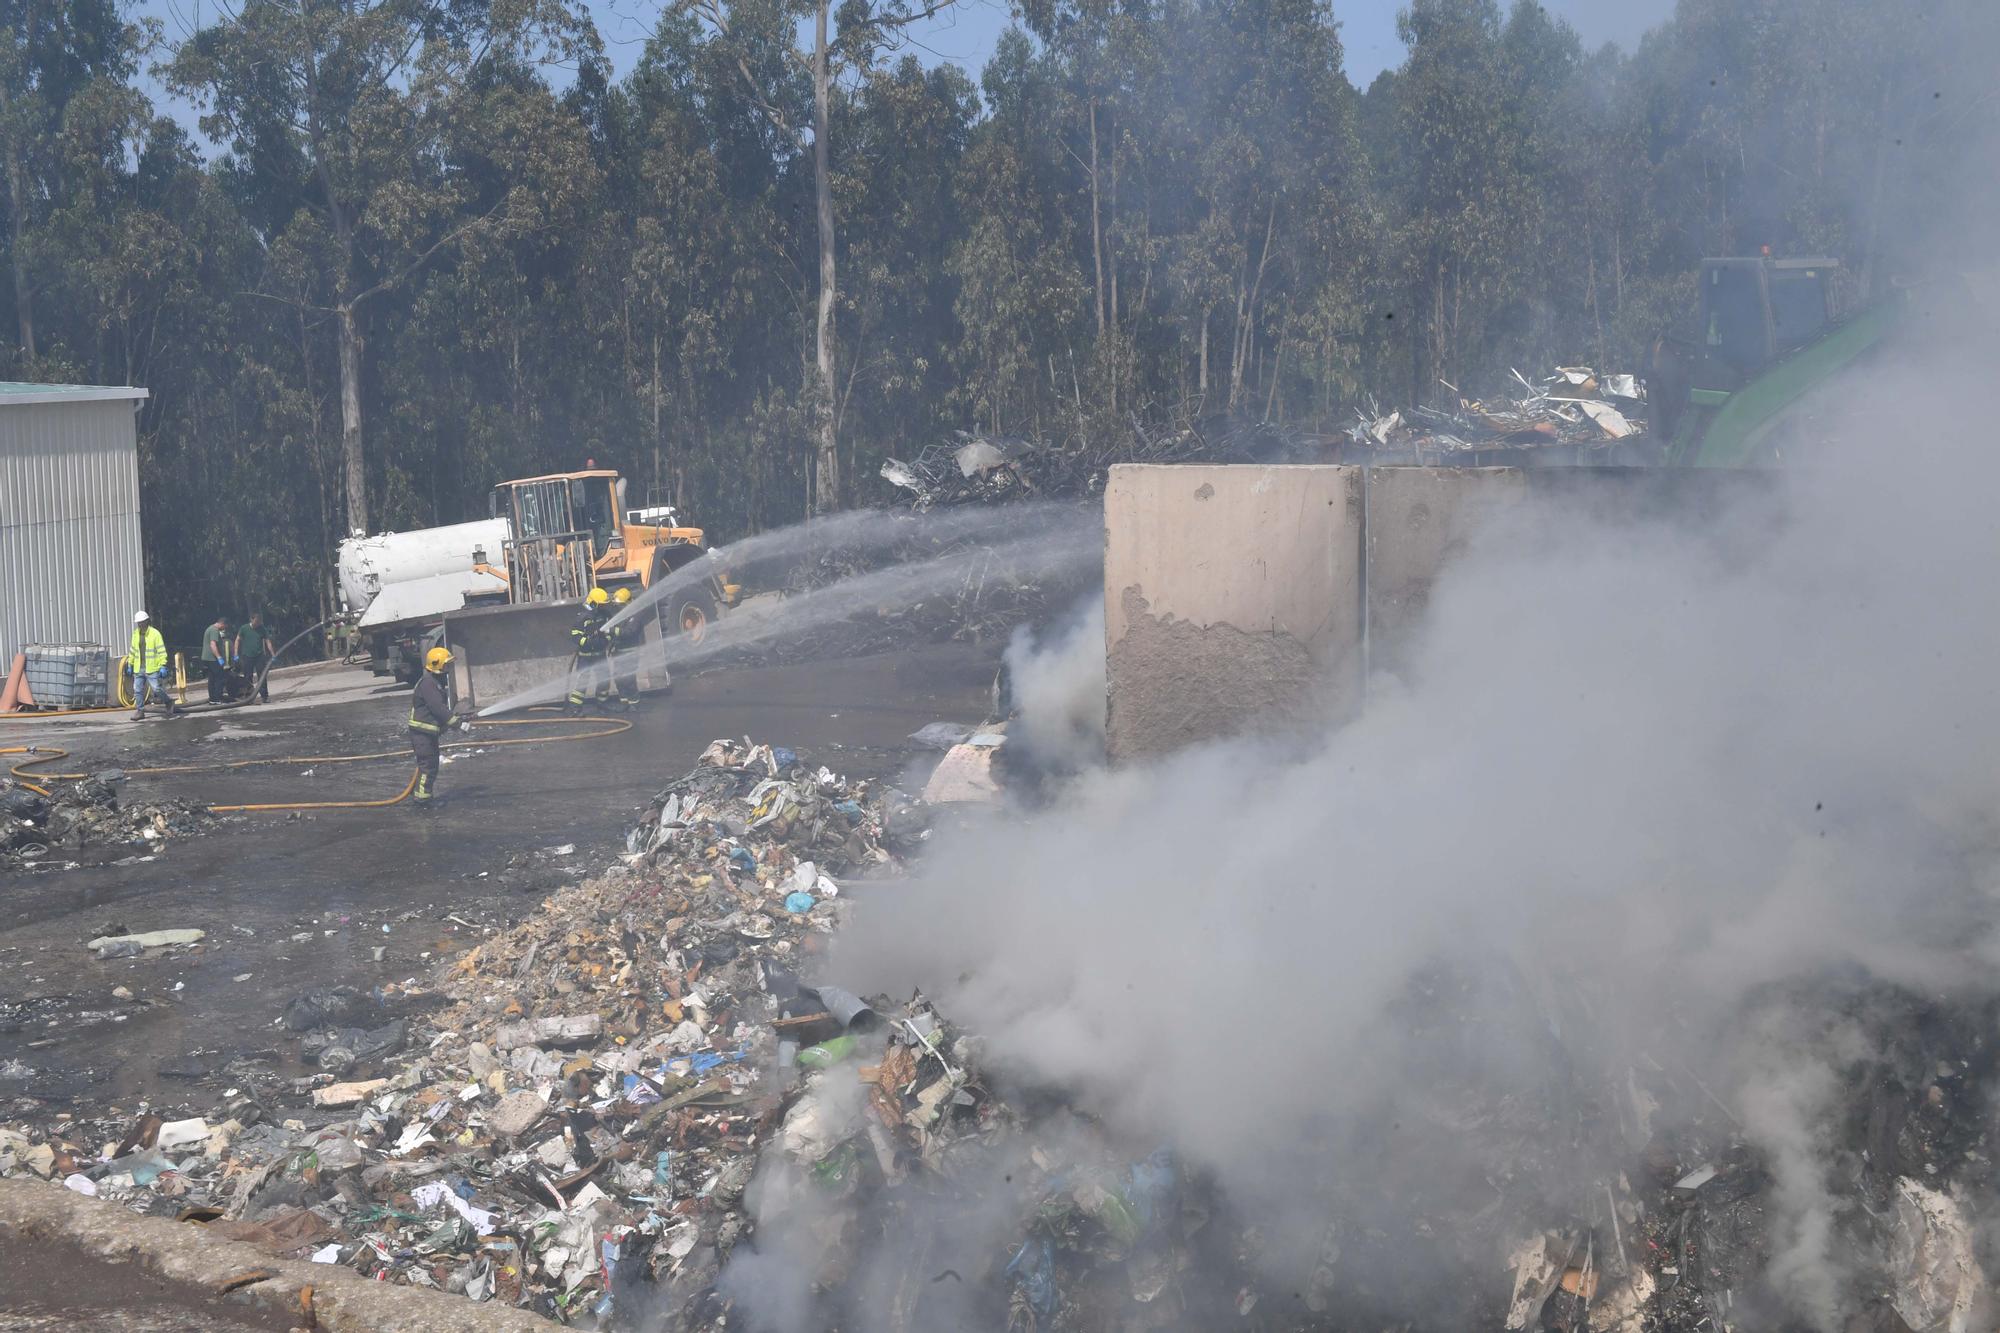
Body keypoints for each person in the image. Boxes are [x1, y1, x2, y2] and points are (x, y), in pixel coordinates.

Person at [407, 645, 470, 807]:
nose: (449, 668)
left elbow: (439, 711)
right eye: (447, 664)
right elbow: (437, 708)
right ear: (438, 665)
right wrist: (456, 724)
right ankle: (422, 799)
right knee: (428, 766)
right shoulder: (428, 684)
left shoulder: (434, 682)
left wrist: (458, 720)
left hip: (427, 733)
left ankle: (424, 796)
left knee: (430, 765)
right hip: (421, 733)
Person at [566, 587, 612, 715]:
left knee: (604, 680)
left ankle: (602, 705)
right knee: (582, 682)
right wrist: (587, 642)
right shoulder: (583, 618)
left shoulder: (605, 615)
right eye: (600, 604)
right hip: (586, 656)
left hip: (600, 654)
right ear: (593, 603)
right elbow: (575, 636)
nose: (602, 607)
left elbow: (610, 631)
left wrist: (605, 641)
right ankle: (575, 708)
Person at [129, 612, 175, 720]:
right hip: (138, 667)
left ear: (146, 621)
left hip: (151, 667)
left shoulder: (155, 634)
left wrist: (163, 665)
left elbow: (161, 650)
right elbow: (133, 650)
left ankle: (168, 702)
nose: (139, 624)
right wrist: (130, 664)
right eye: (138, 623)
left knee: (156, 689)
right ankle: (140, 711)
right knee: (137, 690)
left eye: (141, 622)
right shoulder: (136, 634)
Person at [608, 587, 641, 710]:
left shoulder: (634, 616)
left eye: (620, 604)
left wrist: (612, 630)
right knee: (619, 679)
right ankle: (624, 703)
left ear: (627, 603)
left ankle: (634, 703)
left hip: (630, 653)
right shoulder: (619, 615)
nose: (618, 607)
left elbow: (629, 632)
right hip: (618, 652)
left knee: (629, 679)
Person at [233, 611, 272, 704]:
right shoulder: (244, 628)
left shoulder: (262, 628)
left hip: (259, 656)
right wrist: (235, 654)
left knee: (262, 676)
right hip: (247, 655)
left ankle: (265, 696)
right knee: (247, 677)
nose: (257, 623)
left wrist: (273, 654)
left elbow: (268, 641)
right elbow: (237, 640)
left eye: (259, 622)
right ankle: (248, 697)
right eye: (256, 621)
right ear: (251, 619)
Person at [201, 616, 232, 704]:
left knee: (212, 678)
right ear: (222, 624)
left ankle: (212, 699)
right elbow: (213, 645)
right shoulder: (214, 630)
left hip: (207, 658)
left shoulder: (209, 628)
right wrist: (219, 657)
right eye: (224, 627)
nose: (224, 629)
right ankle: (217, 698)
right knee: (220, 678)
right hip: (213, 658)